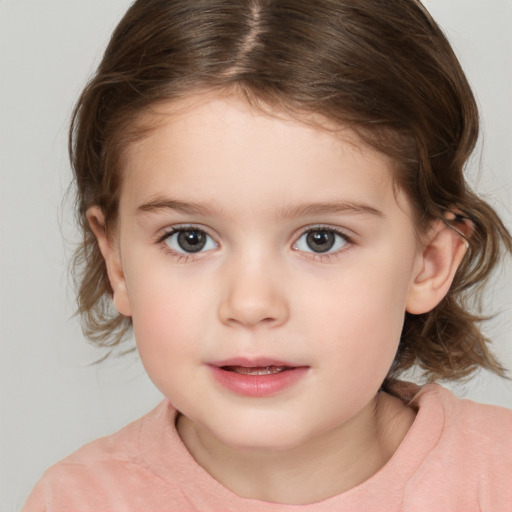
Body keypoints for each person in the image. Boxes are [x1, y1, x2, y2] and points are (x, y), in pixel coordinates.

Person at [22, 0, 512, 510]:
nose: (251, 304)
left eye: (321, 239)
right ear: (117, 261)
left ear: (429, 261)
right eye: (190, 239)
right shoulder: (79, 500)